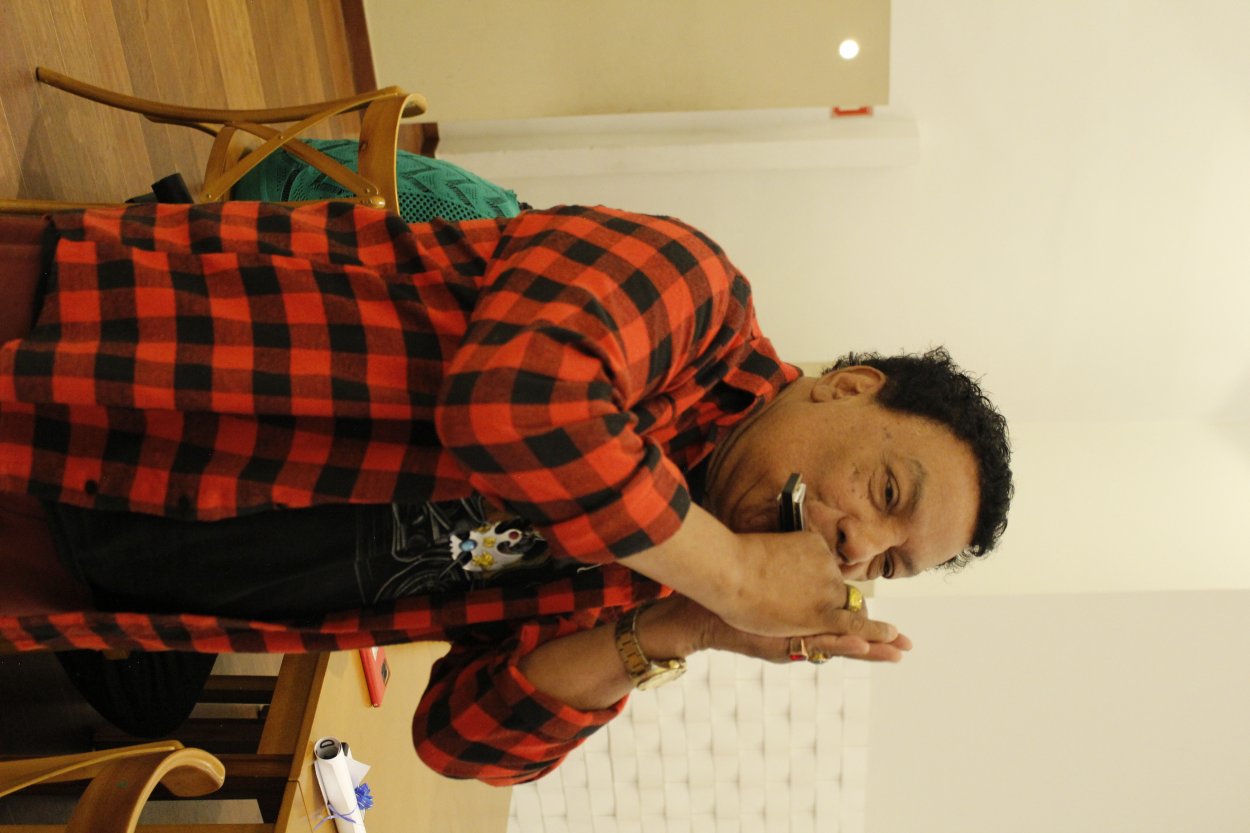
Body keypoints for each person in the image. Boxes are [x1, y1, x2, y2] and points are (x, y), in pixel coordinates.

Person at [0, 201, 1012, 785]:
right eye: (883, 489)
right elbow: (515, 401)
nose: (853, 543)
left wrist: (681, 628)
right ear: (846, 386)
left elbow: (460, 738)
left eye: (886, 562)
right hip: (96, 367)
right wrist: (734, 573)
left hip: (97, 575)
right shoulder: (696, 296)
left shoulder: (656, 576)